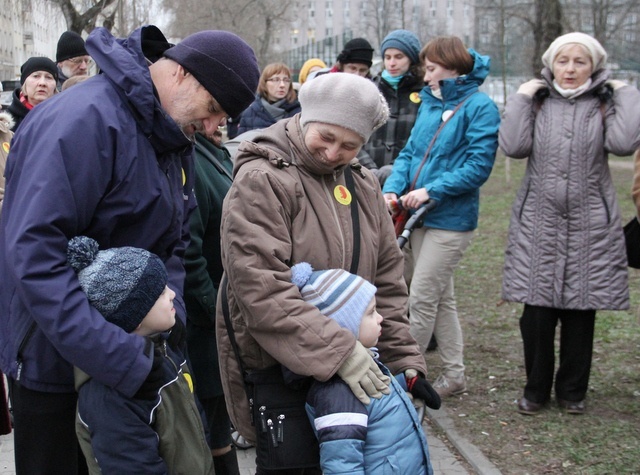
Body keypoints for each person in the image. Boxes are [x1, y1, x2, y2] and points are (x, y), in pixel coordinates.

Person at [0, 24, 259, 474]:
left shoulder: (172, 135)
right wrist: (122, 357)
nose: (216, 126)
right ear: (180, 74)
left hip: (131, 360)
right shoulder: (83, 121)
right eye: (214, 109)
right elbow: (36, 257)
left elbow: (174, 244)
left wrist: (167, 321)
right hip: (56, 367)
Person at [217, 72, 429, 474]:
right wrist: (340, 353)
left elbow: (386, 280)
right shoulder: (263, 180)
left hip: (353, 365)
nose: (334, 153)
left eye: (350, 146)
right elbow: (260, 289)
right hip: (279, 368)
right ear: (304, 120)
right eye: (326, 138)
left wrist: (404, 361)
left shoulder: (364, 185)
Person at [499, 32, 640, 416]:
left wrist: (626, 93)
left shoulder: (604, 103)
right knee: (537, 313)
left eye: (580, 61)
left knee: (581, 311)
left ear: (594, 66)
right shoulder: (539, 102)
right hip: (538, 220)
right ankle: (535, 390)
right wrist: (523, 97)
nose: (571, 69)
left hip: (590, 221)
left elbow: (626, 143)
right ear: (551, 64)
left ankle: (573, 392)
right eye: (564, 61)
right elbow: (512, 146)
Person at [382, 36, 500, 398]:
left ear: (452, 66)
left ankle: (405, 379)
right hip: (417, 216)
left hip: (450, 220)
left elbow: (478, 166)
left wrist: (432, 190)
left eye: (431, 68)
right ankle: (454, 374)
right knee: (441, 299)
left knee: (420, 298)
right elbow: (409, 153)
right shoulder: (431, 103)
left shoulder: (480, 107)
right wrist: (393, 188)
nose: (426, 75)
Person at [67, 236, 214, 474]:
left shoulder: (166, 349)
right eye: (159, 293)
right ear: (133, 317)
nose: (172, 294)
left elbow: (193, 424)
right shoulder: (110, 393)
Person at [291, 262, 438, 475]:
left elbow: (373, 394)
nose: (380, 318)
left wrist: (406, 381)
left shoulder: (364, 363)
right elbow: (342, 466)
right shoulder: (338, 394)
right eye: (371, 313)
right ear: (345, 326)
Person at [184, 128, 241, 474]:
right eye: (213, 110)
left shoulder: (214, 152)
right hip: (205, 327)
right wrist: (217, 310)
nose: (221, 120)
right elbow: (190, 256)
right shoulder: (191, 158)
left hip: (221, 319)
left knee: (221, 426)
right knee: (214, 431)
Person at [360, 29, 423, 186]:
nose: (392, 63)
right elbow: (353, 133)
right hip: (365, 178)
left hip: (408, 179)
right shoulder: (369, 89)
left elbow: (424, 140)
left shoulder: (424, 93)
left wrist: (396, 167)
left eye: (398, 57)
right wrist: (367, 168)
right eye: (387, 57)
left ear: (412, 59)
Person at [237, 62, 301, 135]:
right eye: (276, 80)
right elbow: (241, 143)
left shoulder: (299, 112)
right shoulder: (250, 113)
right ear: (264, 83)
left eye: (286, 80)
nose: (282, 85)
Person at [6, 56, 58, 131]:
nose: (42, 83)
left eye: (48, 77)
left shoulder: (63, 118)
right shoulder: (6, 121)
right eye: (36, 76)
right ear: (24, 82)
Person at [310, 38, 374, 80]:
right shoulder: (321, 81)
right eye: (352, 68)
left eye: (362, 70)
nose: (357, 74)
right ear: (342, 66)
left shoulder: (375, 89)